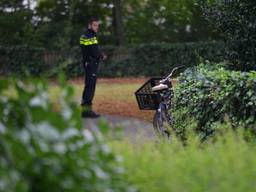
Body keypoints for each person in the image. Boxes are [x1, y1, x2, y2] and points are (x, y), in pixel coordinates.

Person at [80, 17, 106, 118]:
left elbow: (85, 50)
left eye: (98, 25)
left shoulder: (84, 35)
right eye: (95, 25)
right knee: (90, 87)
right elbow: (94, 51)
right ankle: (87, 111)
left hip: (88, 63)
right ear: (89, 25)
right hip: (91, 64)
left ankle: (85, 110)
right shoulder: (90, 36)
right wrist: (102, 56)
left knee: (88, 86)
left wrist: (86, 60)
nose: (97, 27)